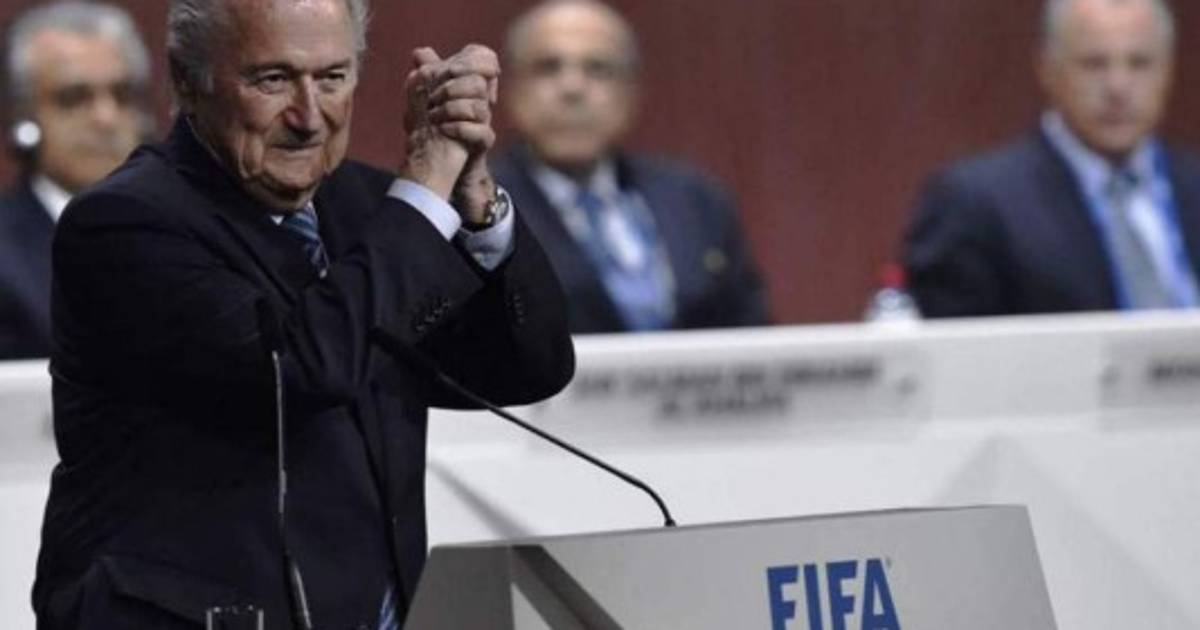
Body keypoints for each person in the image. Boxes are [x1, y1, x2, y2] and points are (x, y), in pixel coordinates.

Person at [32, 0, 574, 627]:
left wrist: (475, 201)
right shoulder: (123, 224)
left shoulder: (373, 211)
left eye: (332, 77)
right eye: (273, 79)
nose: (309, 116)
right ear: (187, 80)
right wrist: (426, 191)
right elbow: (303, 367)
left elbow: (527, 368)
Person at [904, 0, 1200, 318]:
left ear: (1169, 70)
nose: (1118, 87)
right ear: (1047, 69)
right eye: (1094, 64)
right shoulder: (976, 205)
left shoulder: (1192, 185)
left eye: (1139, 64)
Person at [492, 0, 769, 334]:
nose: (572, 88)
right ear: (512, 90)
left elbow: (752, 334)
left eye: (598, 69)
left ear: (630, 92)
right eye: (548, 68)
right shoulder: (470, 209)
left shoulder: (694, 200)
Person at [0, 2, 151, 359]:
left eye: (122, 95)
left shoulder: (197, 229)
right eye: (74, 98)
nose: (106, 118)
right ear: (24, 120)